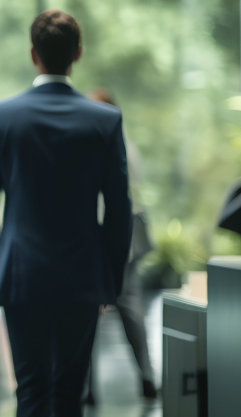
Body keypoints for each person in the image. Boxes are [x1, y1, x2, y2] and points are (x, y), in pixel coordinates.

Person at [0, 10, 132, 417]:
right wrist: (110, 280)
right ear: (78, 53)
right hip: (82, 274)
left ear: (32, 54)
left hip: (20, 273)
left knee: (31, 391)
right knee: (69, 392)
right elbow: (119, 209)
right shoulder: (106, 120)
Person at [82, 88, 157, 404]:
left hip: (111, 234)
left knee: (108, 307)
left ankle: (91, 388)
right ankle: (145, 377)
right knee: (124, 306)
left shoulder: (110, 145)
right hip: (120, 232)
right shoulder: (125, 143)